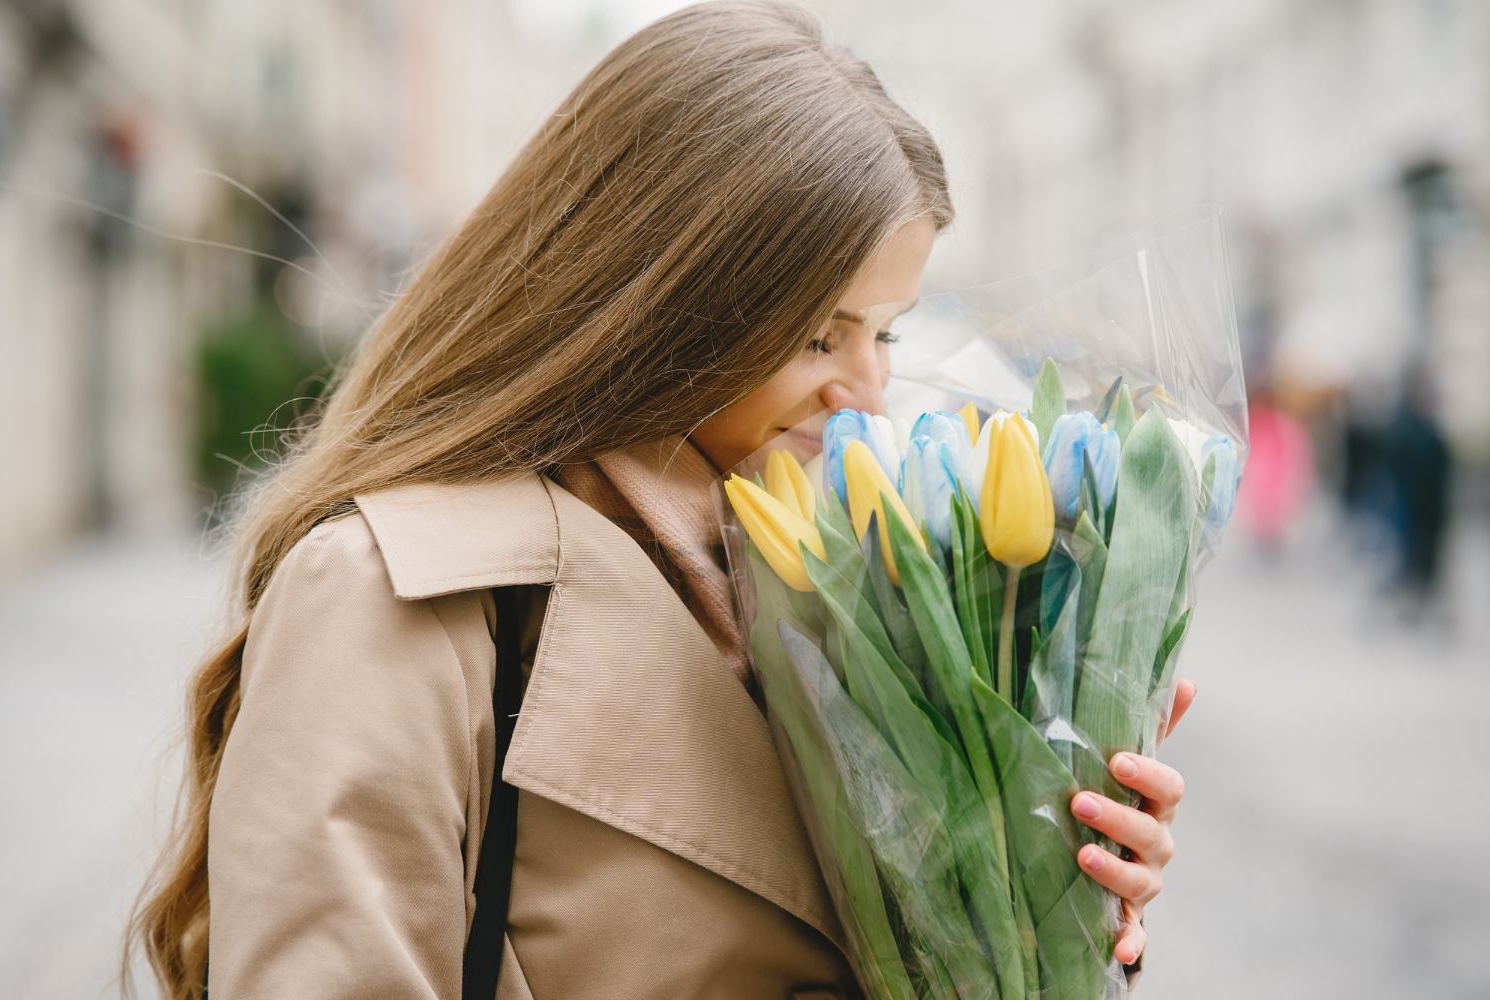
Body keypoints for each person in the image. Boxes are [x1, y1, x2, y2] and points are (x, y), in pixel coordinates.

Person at [122, 2, 1194, 996]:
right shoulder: (402, 601)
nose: (866, 391)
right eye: (821, 333)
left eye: (888, 333)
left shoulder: (867, 595)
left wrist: (1039, 901)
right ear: (668, 300)